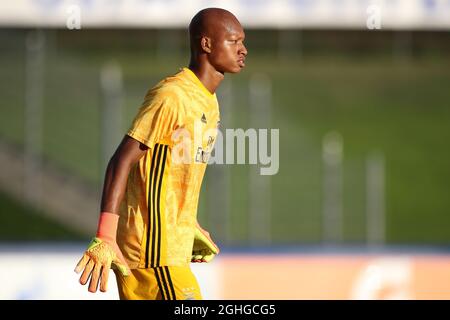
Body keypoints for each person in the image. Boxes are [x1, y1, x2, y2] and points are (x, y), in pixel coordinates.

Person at [74, 7, 247, 300]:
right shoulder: (172, 96)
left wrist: (186, 223)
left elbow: (169, 169)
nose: (243, 50)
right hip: (153, 250)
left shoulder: (209, 100)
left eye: (243, 41)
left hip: (168, 249)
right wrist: (105, 234)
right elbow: (123, 159)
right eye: (234, 41)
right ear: (206, 44)